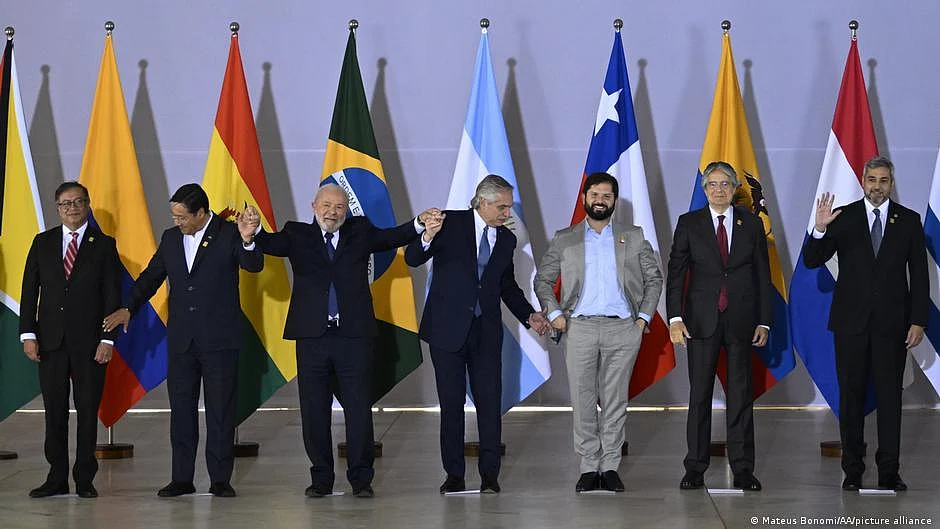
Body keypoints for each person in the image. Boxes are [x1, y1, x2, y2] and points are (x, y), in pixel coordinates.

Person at [247, 183, 441, 499]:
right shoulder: (297, 234)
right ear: (313, 206)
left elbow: (393, 236)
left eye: (338, 207)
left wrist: (420, 222)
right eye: (326, 205)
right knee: (314, 411)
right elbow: (267, 243)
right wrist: (249, 233)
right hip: (312, 338)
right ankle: (321, 478)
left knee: (358, 409)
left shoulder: (360, 231)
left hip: (354, 338)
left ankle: (361, 479)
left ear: (346, 210)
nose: (332, 212)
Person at [103, 183, 261, 498]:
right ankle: (181, 478)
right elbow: (151, 277)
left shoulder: (229, 233)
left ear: (201, 213)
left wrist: (248, 239)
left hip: (219, 340)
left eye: (182, 217)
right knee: (182, 411)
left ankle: (219, 479)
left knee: (220, 411)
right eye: (174, 216)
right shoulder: (171, 238)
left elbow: (253, 265)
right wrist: (128, 307)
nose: (177, 222)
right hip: (182, 341)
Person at [405, 174, 550, 495]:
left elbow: (506, 286)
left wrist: (529, 315)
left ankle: (489, 476)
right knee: (452, 405)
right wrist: (426, 236)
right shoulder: (449, 223)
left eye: (508, 207)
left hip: (486, 333)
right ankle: (454, 475)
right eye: (501, 207)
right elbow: (413, 258)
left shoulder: (507, 239)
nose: (507, 213)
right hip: (446, 332)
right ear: (482, 202)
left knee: (489, 404)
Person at [803, 156, 928, 491]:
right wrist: (819, 228)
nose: (877, 186)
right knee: (852, 398)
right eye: (872, 179)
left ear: (891, 182)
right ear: (863, 180)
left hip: (893, 326)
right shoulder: (844, 217)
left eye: (883, 180)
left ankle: (889, 470)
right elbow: (813, 260)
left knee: (890, 399)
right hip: (850, 325)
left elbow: (919, 275)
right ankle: (853, 469)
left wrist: (918, 320)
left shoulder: (909, 221)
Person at [533, 172, 663, 493]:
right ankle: (589, 466)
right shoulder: (566, 238)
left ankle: (611, 466)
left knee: (616, 400)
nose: (600, 200)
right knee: (583, 399)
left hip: (623, 329)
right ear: (584, 199)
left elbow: (654, 278)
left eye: (607, 195)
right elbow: (543, 280)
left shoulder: (633, 236)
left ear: (614, 201)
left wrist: (642, 319)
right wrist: (554, 313)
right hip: (579, 328)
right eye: (595, 195)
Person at [666, 161, 771, 492]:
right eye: (712, 184)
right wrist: (675, 318)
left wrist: (764, 321)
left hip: (741, 321)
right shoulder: (689, 224)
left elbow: (762, 277)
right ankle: (695, 467)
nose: (719, 189)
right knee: (699, 396)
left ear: (735, 187)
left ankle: (742, 468)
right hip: (700, 321)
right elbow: (677, 274)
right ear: (704, 189)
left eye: (725, 184)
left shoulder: (752, 224)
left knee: (741, 396)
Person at [19, 182, 121, 499]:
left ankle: (85, 478)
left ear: (88, 204)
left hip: (90, 343)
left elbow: (112, 296)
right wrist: (28, 334)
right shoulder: (42, 242)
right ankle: (56, 477)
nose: (72, 208)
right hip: (50, 341)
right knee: (54, 410)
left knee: (88, 409)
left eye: (78, 202)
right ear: (57, 208)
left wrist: (108, 339)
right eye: (65, 203)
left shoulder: (103, 245)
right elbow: (28, 292)